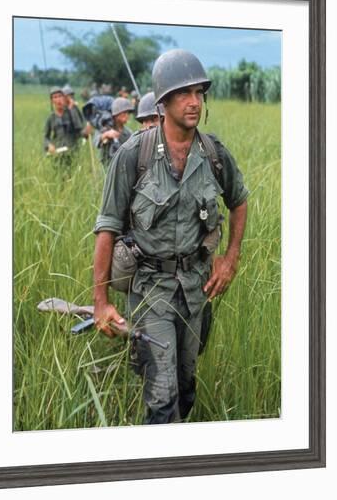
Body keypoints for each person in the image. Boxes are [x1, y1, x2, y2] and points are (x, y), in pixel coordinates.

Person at [92, 49, 249, 425]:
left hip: (196, 291)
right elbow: (107, 227)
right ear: (163, 101)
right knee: (162, 402)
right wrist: (100, 301)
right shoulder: (134, 155)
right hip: (149, 291)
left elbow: (239, 202)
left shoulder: (214, 154)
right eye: (184, 93)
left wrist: (230, 258)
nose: (194, 102)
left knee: (186, 386)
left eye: (199, 93)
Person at [43, 86, 84, 156]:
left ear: (64, 98)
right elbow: (46, 137)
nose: (58, 99)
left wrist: (72, 109)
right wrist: (49, 145)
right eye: (55, 97)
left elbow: (79, 129)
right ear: (52, 100)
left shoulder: (72, 112)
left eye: (60, 96)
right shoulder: (51, 118)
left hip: (73, 152)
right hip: (57, 153)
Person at [94, 97, 134, 165]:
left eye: (128, 113)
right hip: (107, 165)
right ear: (116, 114)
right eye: (124, 112)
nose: (127, 115)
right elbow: (95, 141)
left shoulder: (129, 132)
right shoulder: (105, 128)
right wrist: (106, 135)